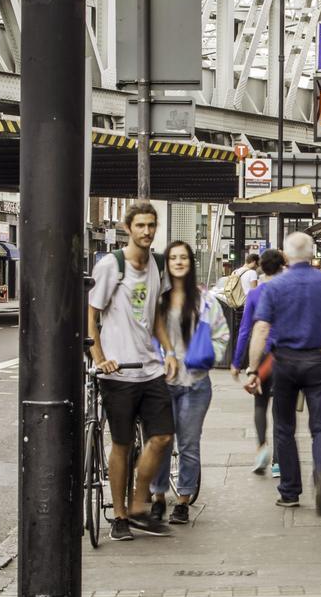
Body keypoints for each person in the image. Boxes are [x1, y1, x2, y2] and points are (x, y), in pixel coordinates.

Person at [86, 201, 180, 540]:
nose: (146, 231)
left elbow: (155, 316)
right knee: (122, 444)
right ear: (129, 228)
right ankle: (121, 517)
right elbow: (92, 315)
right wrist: (100, 358)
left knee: (163, 436)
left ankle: (139, 505)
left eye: (151, 225)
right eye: (140, 225)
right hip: (119, 372)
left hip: (149, 369)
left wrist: (168, 351)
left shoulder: (157, 265)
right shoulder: (111, 265)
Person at [246, 233, 321, 514]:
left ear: (288, 256)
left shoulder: (276, 286)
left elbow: (260, 329)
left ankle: (290, 491)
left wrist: (253, 368)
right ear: (311, 254)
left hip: (284, 362)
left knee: (284, 427)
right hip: (317, 360)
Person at [147, 241, 230, 525]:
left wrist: (208, 359)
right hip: (162, 383)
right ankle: (157, 495)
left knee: (189, 444)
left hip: (195, 384)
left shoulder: (206, 301)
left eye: (184, 257)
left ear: (191, 263)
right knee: (160, 441)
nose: (179, 262)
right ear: (167, 264)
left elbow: (222, 336)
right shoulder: (158, 300)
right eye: (173, 258)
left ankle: (182, 500)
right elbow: (147, 338)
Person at [232, 249, 286, 477]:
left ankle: (262, 447)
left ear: (261, 267)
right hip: (284, 356)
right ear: (282, 266)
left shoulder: (254, 294)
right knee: (281, 409)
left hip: (262, 356)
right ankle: (277, 461)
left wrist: (237, 362)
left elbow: (245, 330)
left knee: (260, 404)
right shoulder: (287, 291)